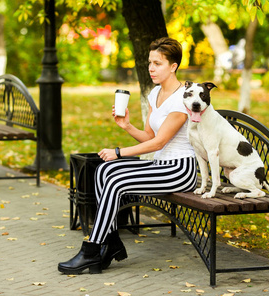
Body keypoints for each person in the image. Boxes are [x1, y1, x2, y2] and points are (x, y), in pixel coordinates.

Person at [58, 37, 197, 275]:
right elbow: (149, 138)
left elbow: (160, 142)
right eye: (149, 62)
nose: (151, 68)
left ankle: (91, 250)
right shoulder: (155, 94)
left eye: (158, 63)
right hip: (160, 165)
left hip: (180, 170)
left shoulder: (184, 96)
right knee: (103, 170)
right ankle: (111, 243)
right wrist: (127, 126)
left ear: (173, 66)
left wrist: (119, 153)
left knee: (116, 179)